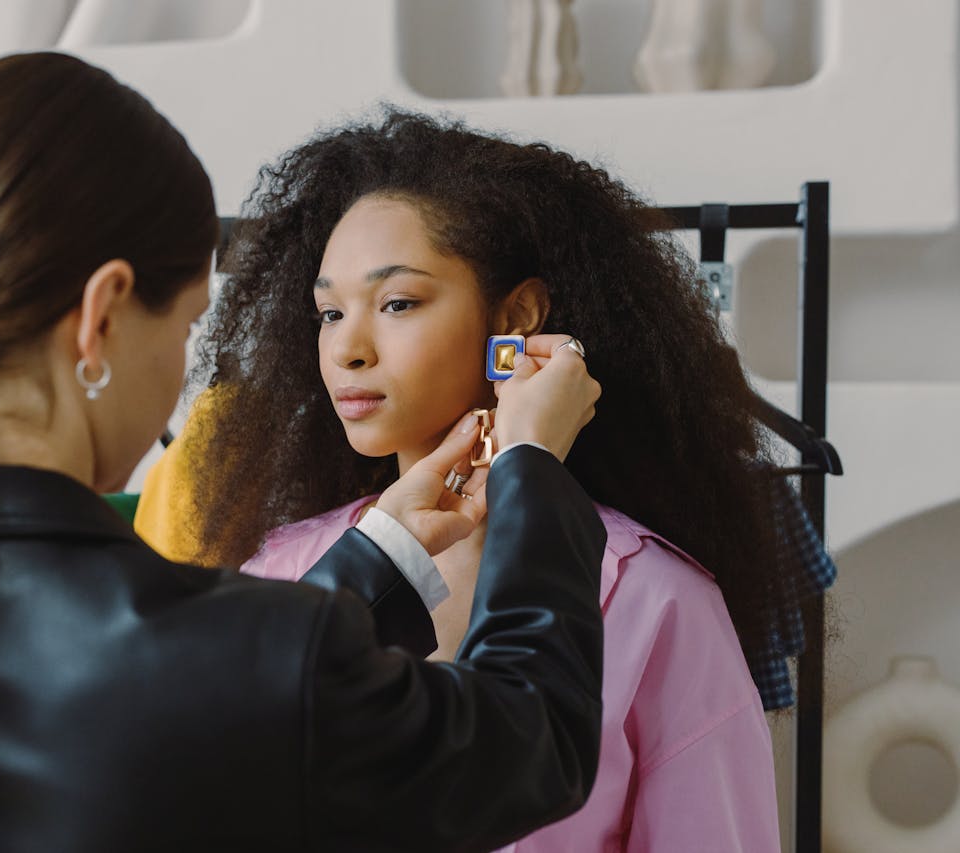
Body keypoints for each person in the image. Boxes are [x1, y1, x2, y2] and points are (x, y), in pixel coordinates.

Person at [0, 54, 610, 853]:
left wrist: (380, 554)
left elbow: (207, 700)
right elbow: (532, 737)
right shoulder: (221, 657)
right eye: (184, 325)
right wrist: (530, 463)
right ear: (101, 315)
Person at [184, 110, 792, 852]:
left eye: (398, 302)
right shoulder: (279, 572)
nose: (347, 347)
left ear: (516, 316)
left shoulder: (658, 601)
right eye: (329, 312)